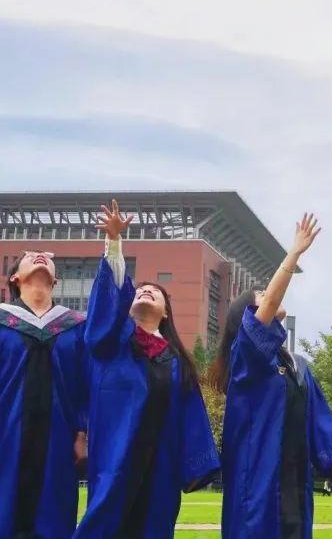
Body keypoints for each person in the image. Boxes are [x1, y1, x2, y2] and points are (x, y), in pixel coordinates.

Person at [74, 200, 220, 539]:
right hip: (116, 457)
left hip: (160, 468)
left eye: (155, 291)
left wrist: (195, 464)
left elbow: (191, 415)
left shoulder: (176, 361)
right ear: (126, 306)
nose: (146, 291)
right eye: (140, 290)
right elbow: (104, 311)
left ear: (166, 313)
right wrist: (114, 243)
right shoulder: (113, 344)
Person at [208, 213, 332, 539]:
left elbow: (318, 418)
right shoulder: (247, 357)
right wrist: (294, 253)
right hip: (258, 478)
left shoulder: (298, 366)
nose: (269, 296)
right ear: (246, 317)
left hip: (294, 480)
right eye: (259, 295)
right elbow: (269, 307)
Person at [0, 250, 88, 539]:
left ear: (55, 281)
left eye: (46, 257)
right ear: (14, 278)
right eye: (31, 256)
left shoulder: (77, 326)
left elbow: (85, 384)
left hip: (59, 439)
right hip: (6, 435)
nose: (40, 256)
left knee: (54, 516)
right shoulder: (2, 320)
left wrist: (82, 433)